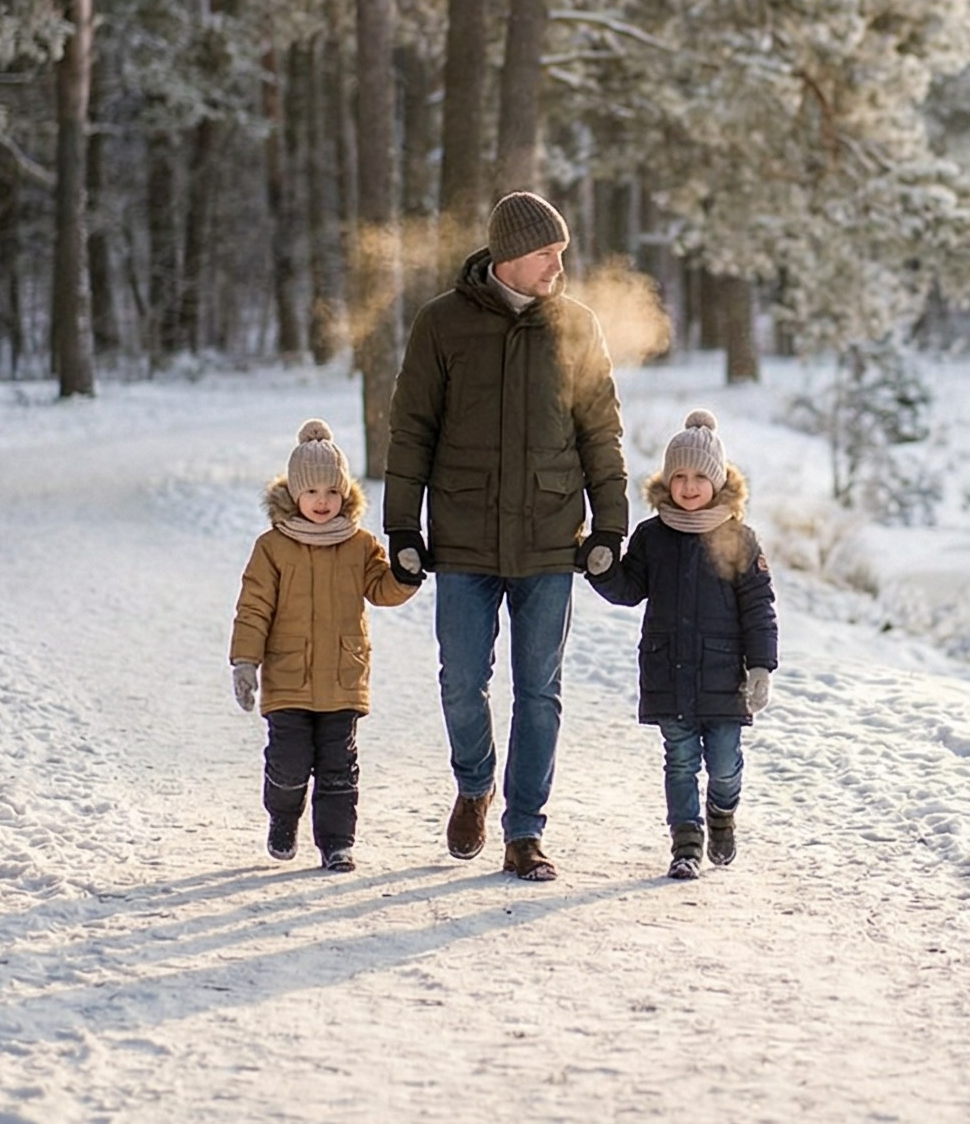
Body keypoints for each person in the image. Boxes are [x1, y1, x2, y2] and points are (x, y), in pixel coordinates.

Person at [384, 191, 628, 881]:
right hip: (462, 535)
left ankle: (525, 831)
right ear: (510, 255)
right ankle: (474, 782)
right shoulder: (442, 324)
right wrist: (402, 523)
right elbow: (411, 432)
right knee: (461, 681)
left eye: (561, 253)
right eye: (548, 253)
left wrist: (610, 521)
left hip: (550, 535)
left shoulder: (576, 326)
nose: (559, 265)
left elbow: (601, 432)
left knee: (538, 690)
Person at [588, 409, 778, 879]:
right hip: (668, 671)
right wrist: (600, 567)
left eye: (699, 476)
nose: (689, 486)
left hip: (722, 677)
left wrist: (761, 667)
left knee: (724, 764)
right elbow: (630, 589)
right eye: (679, 477)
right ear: (666, 481)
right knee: (680, 762)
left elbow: (759, 608)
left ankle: (721, 812)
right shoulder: (653, 537)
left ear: (717, 482)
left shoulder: (740, 540)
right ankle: (686, 844)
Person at [229, 419, 420, 873]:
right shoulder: (272, 548)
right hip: (289, 679)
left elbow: (382, 588)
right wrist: (244, 662)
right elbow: (253, 608)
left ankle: (337, 843)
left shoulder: (359, 545)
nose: (322, 502)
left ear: (345, 494)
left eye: (331, 492)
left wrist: (407, 573)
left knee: (338, 767)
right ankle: (283, 817)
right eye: (312, 492)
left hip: (342, 677)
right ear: (294, 495)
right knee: (290, 763)